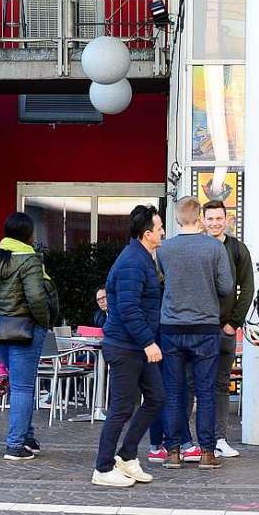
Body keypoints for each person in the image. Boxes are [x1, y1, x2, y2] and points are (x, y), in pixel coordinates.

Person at [92, 205, 167, 487]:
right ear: (147, 234)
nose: (162, 231)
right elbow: (127, 308)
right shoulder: (132, 263)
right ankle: (102, 467)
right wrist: (148, 342)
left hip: (135, 345)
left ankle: (126, 455)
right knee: (121, 409)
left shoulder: (144, 257)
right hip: (126, 346)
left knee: (157, 397)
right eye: (159, 228)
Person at [158, 196, 234, 471]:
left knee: (174, 391)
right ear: (201, 217)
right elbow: (226, 287)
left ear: (177, 219)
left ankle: (174, 452)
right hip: (205, 326)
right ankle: (207, 452)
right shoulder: (214, 247)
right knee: (206, 391)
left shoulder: (164, 249)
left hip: (171, 327)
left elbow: (161, 280)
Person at [0, 212, 57, 462]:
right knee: (23, 388)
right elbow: (36, 298)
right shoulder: (29, 260)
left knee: (19, 385)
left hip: (0, 331)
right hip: (25, 331)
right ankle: (14, 444)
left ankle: (27, 437)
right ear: (28, 234)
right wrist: (44, 322)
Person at [201, 199, 254, 459]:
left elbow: (248, 288)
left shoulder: (237, 249)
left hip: (224, 330)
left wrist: (233, 323)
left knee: (221, 384)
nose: (214, 223)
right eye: (209, 219)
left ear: (227, 219)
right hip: (198, 328)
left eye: (218, 218)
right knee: (193, 384)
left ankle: (219, 438)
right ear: (202, 220)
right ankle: (193, 442)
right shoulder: (196, 247)